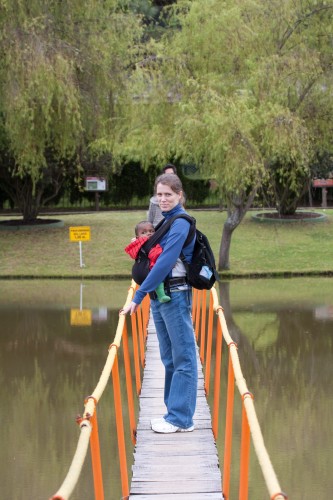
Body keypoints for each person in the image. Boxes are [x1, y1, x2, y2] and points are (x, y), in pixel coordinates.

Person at [122, 173, 197, 434]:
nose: (163, 199)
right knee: (168, 358)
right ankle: (172, 413)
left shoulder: (180, 223)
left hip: (175, 295)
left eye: (168, 194)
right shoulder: (165, 222)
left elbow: (166, 262)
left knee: (184, 357)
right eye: (160, 194)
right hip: (161, 298)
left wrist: (139, 295)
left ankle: (181, 418)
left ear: (180, 195)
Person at [124, 221, 171, 303]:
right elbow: (155, 255)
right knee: (159, 276)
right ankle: (161, 295)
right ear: (138, 236)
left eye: (151, 231)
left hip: (138, 274)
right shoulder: (149, 244)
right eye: (144, 232)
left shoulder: (137, 244)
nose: (149, 233)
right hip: (148, 272)